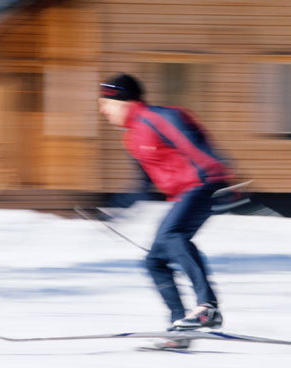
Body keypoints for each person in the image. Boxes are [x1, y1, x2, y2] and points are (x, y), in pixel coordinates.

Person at [98, 73, 234, 346]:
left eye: (106, 103)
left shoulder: (159, 117)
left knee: (173, 236)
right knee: (154, 262)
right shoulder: (132, 138)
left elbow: (196, 144)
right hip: (182, 195)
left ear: (122, 101)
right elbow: (143, 184)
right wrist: (116, 208)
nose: (103, 110)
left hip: (204, 185)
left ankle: (208, 307)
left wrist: (225, 182)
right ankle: (180, 329)